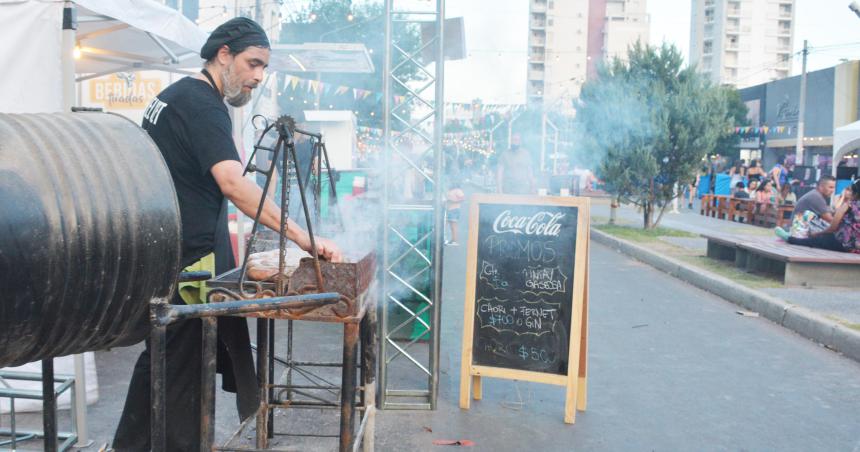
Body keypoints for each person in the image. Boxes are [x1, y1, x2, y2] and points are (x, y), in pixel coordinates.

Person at [112, 18, 342, 451]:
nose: (258, 76)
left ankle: (130, 444)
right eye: (252, 63)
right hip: (188, 262)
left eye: (264, 68)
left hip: (165, 251)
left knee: (163, 363)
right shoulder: (203, 105)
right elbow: (233, 184)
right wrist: (302, 238)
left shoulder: (171, 97)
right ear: (223, 55)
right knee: (182, 370)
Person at [776, 179, 860, 252]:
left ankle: (789, 238)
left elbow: (832, 228)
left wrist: (818, 234)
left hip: (842, 244)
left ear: (854, 193)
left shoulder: (848, 205)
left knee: (813, 240)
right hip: (856, 246)